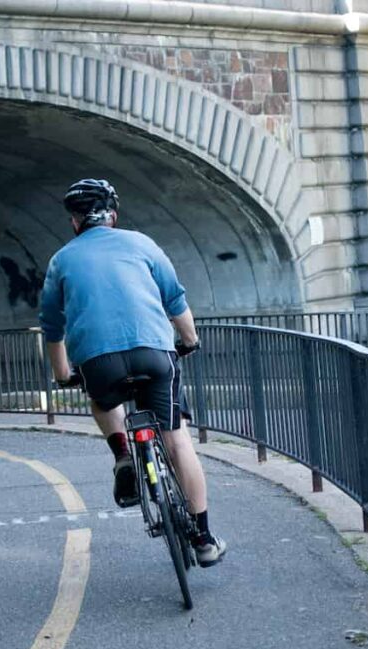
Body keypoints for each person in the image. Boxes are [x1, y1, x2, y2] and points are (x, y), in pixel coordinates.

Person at [39, 178, 226, 567]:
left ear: (74, 222)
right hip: (153, 354)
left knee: (102, 399)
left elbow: (52, 327)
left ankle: (123, 452)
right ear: (114, 215)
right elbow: (174, 299)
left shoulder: (61, 260)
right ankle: (204, 539)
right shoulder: (142, 244)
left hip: (98, 361)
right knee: (176, 441)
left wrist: (61, 374)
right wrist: (189, 341)